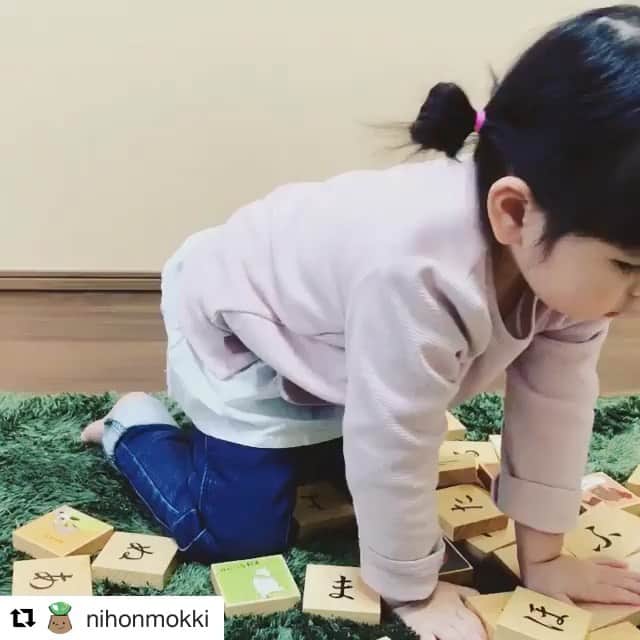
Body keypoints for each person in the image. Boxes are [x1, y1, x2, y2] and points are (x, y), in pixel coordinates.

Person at [82, 5, 640, 638]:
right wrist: (413, 589)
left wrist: (544, 560)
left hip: (341, 339)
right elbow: (391, 436)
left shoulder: (567, 265)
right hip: (248, 327)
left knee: (352, 466)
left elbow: (556, 406)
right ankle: (134, 427)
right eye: (628, 265)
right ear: (514, 212)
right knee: (238, 533)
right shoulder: (418, 274)